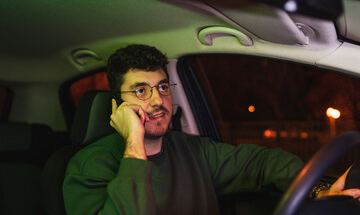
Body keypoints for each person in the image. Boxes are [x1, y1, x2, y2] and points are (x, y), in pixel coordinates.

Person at [63, 44, 360, 215]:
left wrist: (319, 189)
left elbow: (261, 163)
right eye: (141, 91)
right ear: (117, 103)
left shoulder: (192, 150)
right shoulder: (89, 167)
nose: (157, 100)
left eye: (163, 87)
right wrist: (134, 143)